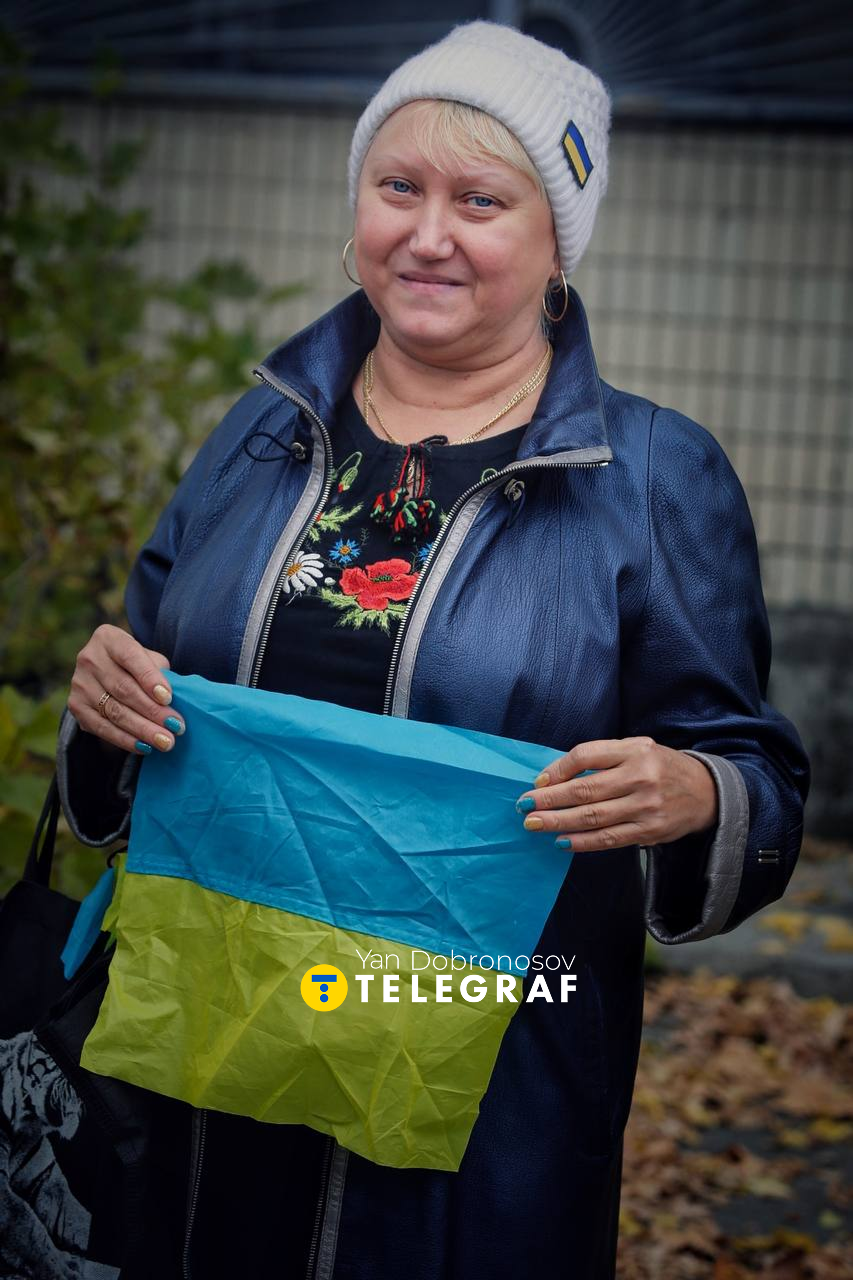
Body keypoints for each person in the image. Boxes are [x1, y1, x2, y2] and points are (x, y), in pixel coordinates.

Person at [52, 19, 809, 1280]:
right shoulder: (264, 430)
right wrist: (106, 704)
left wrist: (697, 790)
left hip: (483, 1066)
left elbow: (759, 777)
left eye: (481, 200)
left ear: (556, 241)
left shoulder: (649, 475)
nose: (428, 233)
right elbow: (138, 698)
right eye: (398, 186)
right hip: (213, 1037)